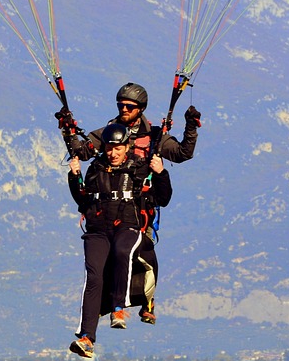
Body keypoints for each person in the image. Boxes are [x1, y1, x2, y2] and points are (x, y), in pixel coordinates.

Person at [76, 81, 201, 324]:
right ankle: (114, 307)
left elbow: (182, 153)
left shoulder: (154, 137)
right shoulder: (108, 133)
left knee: (137, 251)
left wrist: (191, 128)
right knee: (108, 262)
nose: (123, 109)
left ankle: (146, 298)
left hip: (140, 206)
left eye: (129, 106)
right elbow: (83, 151)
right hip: (109, 209)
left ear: (140, 109)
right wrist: (68, 132)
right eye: (120, 105)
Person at [67, 123, 172, 360]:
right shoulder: (95, 168)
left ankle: (118, 308)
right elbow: (82, 201)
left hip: (128, 226)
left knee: (121, 251)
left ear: (126, 147)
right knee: (93, 276)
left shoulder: (138, 168)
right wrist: (74, 177)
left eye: (117, 148)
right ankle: (86, 338)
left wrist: (160, 173)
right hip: (98, 230)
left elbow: (162, 198)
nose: (113, 153)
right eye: (109, 148)